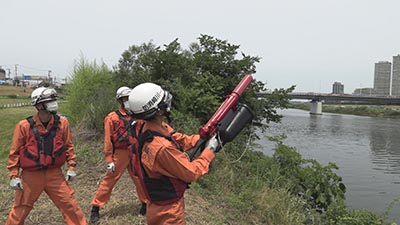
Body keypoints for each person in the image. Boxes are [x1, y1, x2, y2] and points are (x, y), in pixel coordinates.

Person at [127, 82, 221, 225]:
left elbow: (178, 139)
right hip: (168, 211)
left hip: (155, 203)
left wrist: (201, 139)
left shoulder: (146, 127)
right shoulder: (162, 148)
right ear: (158, 111)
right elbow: (191, 172)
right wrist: (210, 150)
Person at [6, 87, 87, 225]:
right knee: (20, 210)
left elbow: (68, 146)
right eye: (49, 101)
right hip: (31, 176)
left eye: (54, 100)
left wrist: (71, 166)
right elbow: (15, 152)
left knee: (70, 205)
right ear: (38, 105)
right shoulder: (24, 126)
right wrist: (14, 175)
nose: (54, 103)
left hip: (54, 174)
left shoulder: (62, 123)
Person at [90, 86, 147, 224]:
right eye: (125, 99)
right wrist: (109, 159)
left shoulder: (138, 116)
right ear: (120, 100)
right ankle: (95, 208)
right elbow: (108, 139)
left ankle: (145, 204)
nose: (128, 101)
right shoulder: (112, 118)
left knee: (139, 178)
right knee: (109, 180)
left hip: (134, 152)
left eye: (130, 98)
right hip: (120, 154)